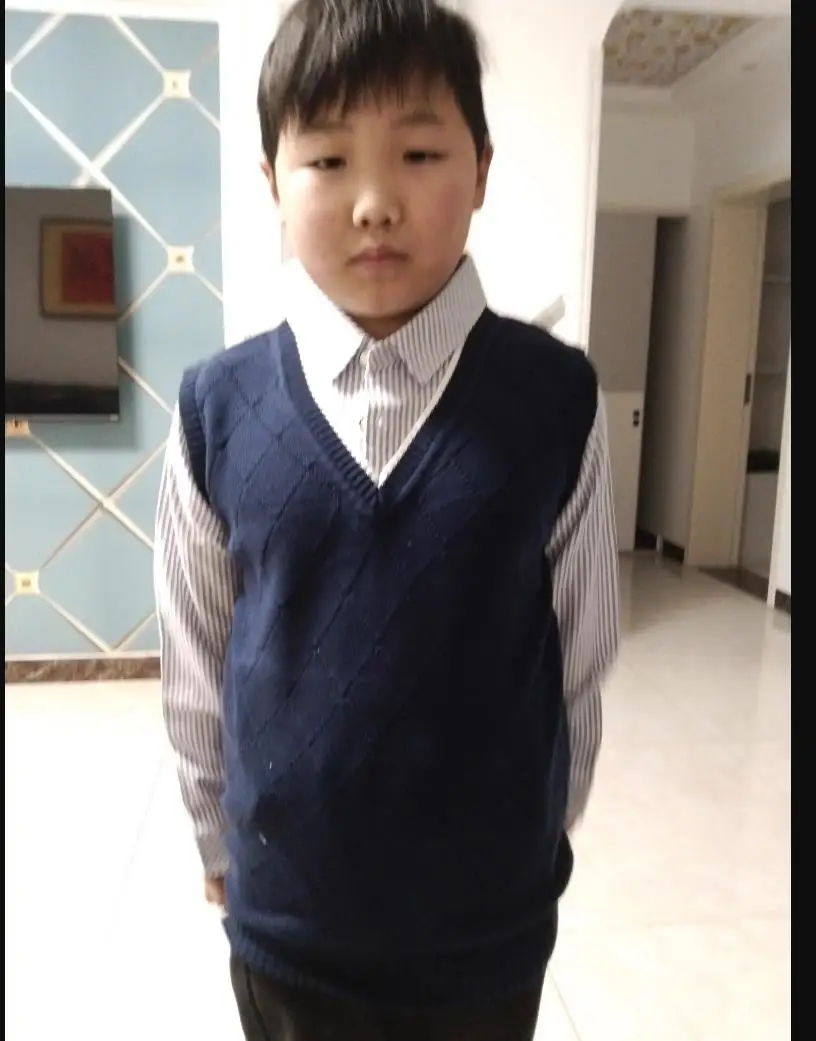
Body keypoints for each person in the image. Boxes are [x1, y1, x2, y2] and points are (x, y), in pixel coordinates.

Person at [154, 1, 619, 1038]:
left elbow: (583, 648)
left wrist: (544, 829)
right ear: (273, 181)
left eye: (418, 153)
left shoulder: (553, 401)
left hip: (487, 936)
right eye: (328, 161)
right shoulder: (217, 410)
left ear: (482, 170)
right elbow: (197, 656)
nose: (374, 204)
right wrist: (215, 841)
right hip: (289, 928)